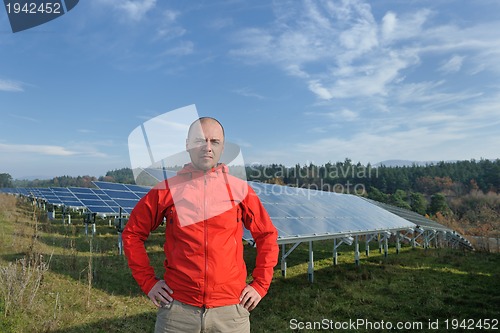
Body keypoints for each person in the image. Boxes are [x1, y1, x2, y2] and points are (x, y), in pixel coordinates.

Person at [122, 117, 279, 333]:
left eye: (214, 141)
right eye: (200, 141)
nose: (207, 147)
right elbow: (132, 234)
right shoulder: (166, 190)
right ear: (187, 144)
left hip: (231, 312)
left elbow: (267, 235)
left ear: (223, 147)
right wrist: (148, 282)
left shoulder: (239, 191)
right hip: (177, 313)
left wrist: (260, 285)